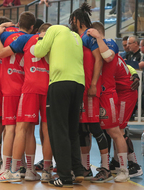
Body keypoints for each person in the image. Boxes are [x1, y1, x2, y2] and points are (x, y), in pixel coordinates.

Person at [0, 23, 52, 183]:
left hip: (30, 87)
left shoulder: (27, 38)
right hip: (49, 88)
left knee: (21, 128)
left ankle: (13, 170)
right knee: (46, 130)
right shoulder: (54, 41)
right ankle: (43, 171)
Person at [0, 12, 36, 181]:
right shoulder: (31, 38)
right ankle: (27, 169)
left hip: (10, 88)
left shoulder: (6, 35)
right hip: (27, 87)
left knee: (10, 128)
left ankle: (7, 169)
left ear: (18, 23)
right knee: (27, 130)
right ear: (32, 27)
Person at [34, 24, 85, 187]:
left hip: (60, 82)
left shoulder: (54, 29)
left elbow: (38, 51)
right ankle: (77, 172)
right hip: (79, 83)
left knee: (58, 130)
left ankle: (64, 177)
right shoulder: (76, 37)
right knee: (72, 130)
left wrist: (41, 39)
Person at [69, 4, 112, 183]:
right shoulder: (78, 37)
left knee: (95, 128)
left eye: (72, 20)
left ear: (77, 20)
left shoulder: (88, 36)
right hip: (80, 89)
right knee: (81, 131)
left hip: (90, 90)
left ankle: (106, 168)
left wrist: (94, 84)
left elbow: (99, 60)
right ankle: (85, 168)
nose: (70, 23)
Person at [87, 21, 130, 182]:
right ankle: (104, 168)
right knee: (96, 131)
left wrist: (98, 37)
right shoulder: (92, 45)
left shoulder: (109, 42)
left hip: (108, 95)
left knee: (115, 132)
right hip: (96, 94)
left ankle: (124, 169)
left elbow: (108, 56)